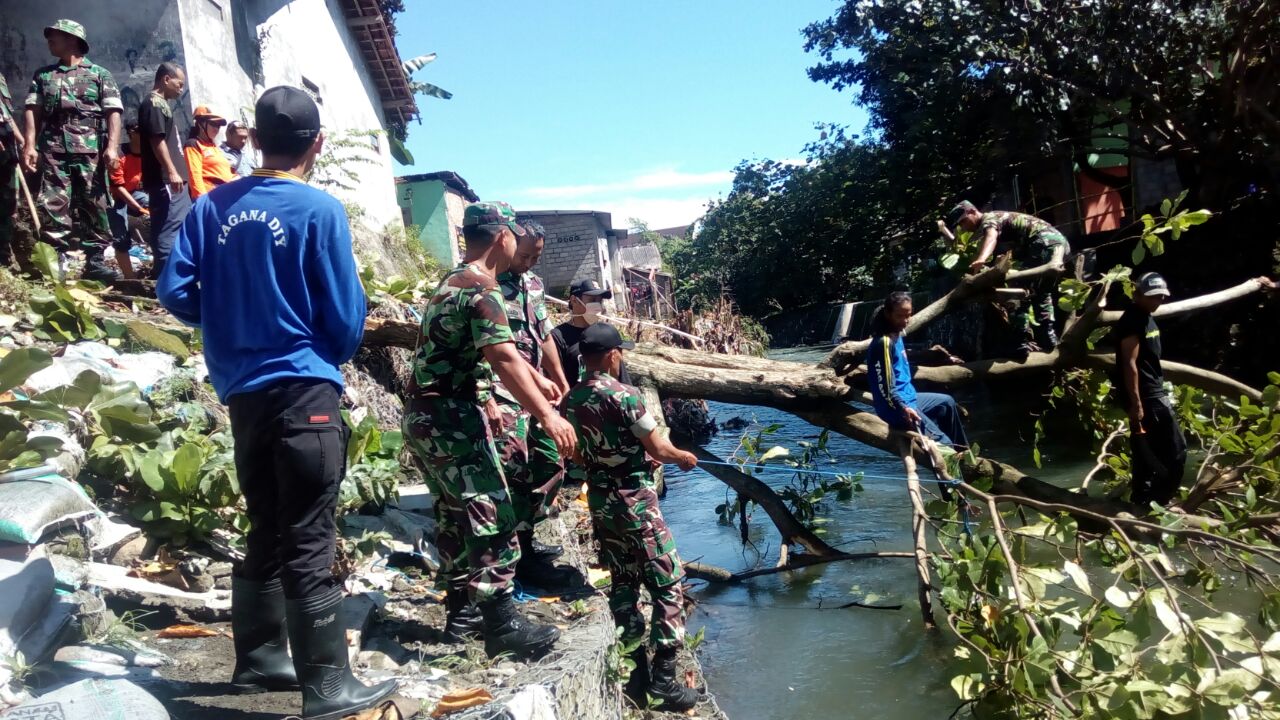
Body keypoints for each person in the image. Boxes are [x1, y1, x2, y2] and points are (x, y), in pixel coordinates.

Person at [156, 86, 395, 720]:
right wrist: (318, 346)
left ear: (254, 140)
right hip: (304, 389)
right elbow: (345, 319)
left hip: (243, 396)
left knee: (265, 523)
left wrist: (230, 319)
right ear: (316, 143)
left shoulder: (210, 210)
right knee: (309, 533)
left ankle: (259, 658)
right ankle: (327, 686)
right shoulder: (318, 210)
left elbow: (174, 290)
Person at [402, 201, 576, 660]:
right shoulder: (484, 286)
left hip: (425, 418)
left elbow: (500, 353)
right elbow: (501, 356)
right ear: (502, 236)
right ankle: (501, 624)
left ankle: (461, 617)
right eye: (515, 237)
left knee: (454, 516)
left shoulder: (452, 280)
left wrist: (537, 377)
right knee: (491, 513)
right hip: (453, 421)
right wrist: (548, 415)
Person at [563, 322, 701, 711]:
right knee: (669, 582)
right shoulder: (626, 396)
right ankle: (665, 683)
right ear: (612, 355)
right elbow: (657, 448)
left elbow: (573, 453)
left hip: (602, 501)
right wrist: (684, 457)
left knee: (623, 579)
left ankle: (634, 671)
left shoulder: (571, 399)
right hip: (635, 500)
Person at [490, 220, 575, 589]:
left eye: (535, 256)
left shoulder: (534, 285)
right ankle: (514, 557)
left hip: (539, 391)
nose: (527, 262)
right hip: (502, 391)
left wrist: (560, 378)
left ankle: (527, 536)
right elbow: (497, 350)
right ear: (508, 242)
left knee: (551, 459)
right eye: (524, 255)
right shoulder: (486, 285)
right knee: (514, 467)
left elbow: (544, 337)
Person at [22, 18, 122, 282]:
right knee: (54, 202)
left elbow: (113, 112)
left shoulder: (100, 75)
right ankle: (58, 262)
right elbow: (33, 110)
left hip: (90, 150)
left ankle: (96, 260)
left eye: (55, 35)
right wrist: (29, 145)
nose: (49, 41)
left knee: (94, 203)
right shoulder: (44, 75)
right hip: (53, 149)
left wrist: (112, 147)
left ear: (72, 39)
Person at [947, 200, 1070, 353]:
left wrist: (982, 259)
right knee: (1041, 292)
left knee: (1019, 290)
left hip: (1043, 243)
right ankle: (1047, 338)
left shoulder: (990, 218)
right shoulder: (999, 218)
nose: (964, 227)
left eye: (963, 221)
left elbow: (991, 237)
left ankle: (1021, 340)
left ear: (972, 211)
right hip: (1059, 245)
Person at [1111, 273, 1187, 507]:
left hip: (1154, 391)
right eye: (1153, 296)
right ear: (1138, 294)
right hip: (1147, 396)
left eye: (1162, 296)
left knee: (1146, 448)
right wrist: (1136, 403)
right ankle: (1160, 500)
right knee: (1178, 450)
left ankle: (1142, 499)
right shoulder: (1132, 320)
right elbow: (1129, 363)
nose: (1158, 301)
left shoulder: (1145, 317)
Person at [866, 292, 969, 450]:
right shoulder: (884, 342)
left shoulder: (897, 334)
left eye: (908, 315)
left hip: (910, 397)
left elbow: (901, 362)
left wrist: (943, 359)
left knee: (946, 402)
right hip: (895, 407)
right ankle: (956, 467)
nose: (905, 321)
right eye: (900, 316)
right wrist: (903, 408)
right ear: (887, 314)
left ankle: (965, 453)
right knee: (945, 445)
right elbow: (885, 387)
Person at [138, 62, 189, 279]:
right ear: (166, 79)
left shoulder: (162, 104)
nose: (181, 89)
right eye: (179, 83)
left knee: (171, 226)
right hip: (166, 180)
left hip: (171, 179)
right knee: (169, 228)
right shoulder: (154, 104)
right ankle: (168, 280)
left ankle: (166, 278)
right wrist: (172, 171)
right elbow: (156, 140)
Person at [551, 279, 633, 385]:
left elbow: (622, 377)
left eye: (599, 301)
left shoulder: (606, 333)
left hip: (609, 399)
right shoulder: (558, 337)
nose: (597, 305)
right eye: (592, 299)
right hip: (576, 400)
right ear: (574, 300)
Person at [107, 121, 147, 279]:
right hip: (114, 197)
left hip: (134, 192)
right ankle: (130, 278)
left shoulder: (147, 153)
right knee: (120, 235)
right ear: (131, 133)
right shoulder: (119, 154)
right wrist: (137, 207)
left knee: (157, 206)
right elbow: (117, 186)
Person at [0, 68, 24, 269]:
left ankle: (5, 255)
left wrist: (22, 140)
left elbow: (7, 116)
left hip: (7, 153)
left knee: (9, 205)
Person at [184, 106, 234, 198]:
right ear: (200, 124)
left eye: (218, 126)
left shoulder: (213, 146)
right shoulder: (194, 144)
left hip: (224, 195)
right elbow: (195, 176)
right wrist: (203, 202)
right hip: (210, 196)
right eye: (213, 124)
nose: (217, 129)